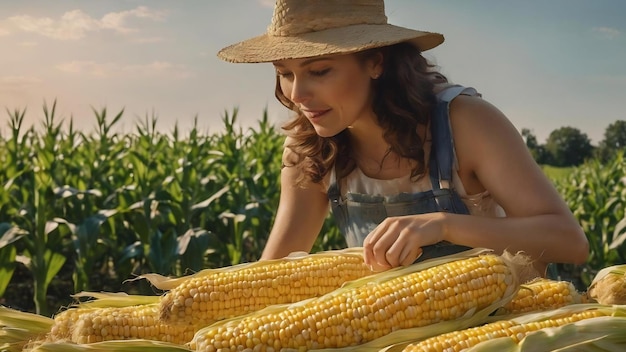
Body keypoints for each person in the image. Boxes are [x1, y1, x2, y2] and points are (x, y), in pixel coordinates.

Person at [217, 0, 589, 275]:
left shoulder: (467, 122)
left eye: (319, 71)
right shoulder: (309, 148)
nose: (297, 95)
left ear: (376, 62)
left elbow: (569, 242)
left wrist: (443, 225)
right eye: (285, 73)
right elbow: (274, 270)